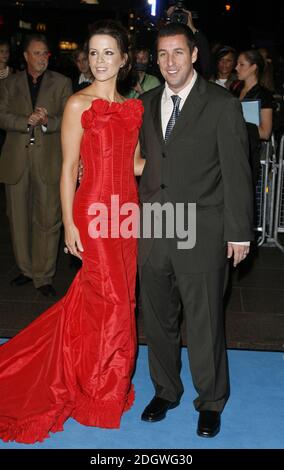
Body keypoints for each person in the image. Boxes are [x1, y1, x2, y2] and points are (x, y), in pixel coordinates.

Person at [0, 20, 144, 444]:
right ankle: (100, 391)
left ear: (124, 58)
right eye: (94, 52)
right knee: (114, 303)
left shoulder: (133, 107)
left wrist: (182, 162)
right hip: (93, 213)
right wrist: (69, 224)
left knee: (114, 300)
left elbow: (136, 165)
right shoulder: (80, 105)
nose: (100, 60)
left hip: (127, 216)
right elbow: (67, 169)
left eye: (108, 53)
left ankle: (93, 372)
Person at [138, 23, 254, 438]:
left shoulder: (222, 104)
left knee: (204, 324)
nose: (170, 62)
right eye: (162, 54)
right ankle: (165, 391)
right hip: (153, 229)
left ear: (193, 56)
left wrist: (239, 232)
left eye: (178, 53)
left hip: (202, 229)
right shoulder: (148, 102)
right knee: (157, 320)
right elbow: (145, 164)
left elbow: (237, 174)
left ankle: (210, 401)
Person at [0, 34, 73, 297]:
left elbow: (70, 117)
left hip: (48, 161)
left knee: (48, 220)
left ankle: (43, 275)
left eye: (46, 54)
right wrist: (25, 120)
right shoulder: (10, 83)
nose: (43, 58)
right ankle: (25, 269)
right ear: (26, 56)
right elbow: (1, 114)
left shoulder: (62, 82)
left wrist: (46, 121)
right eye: (38, 53)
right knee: (17, 219)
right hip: (16, 161)